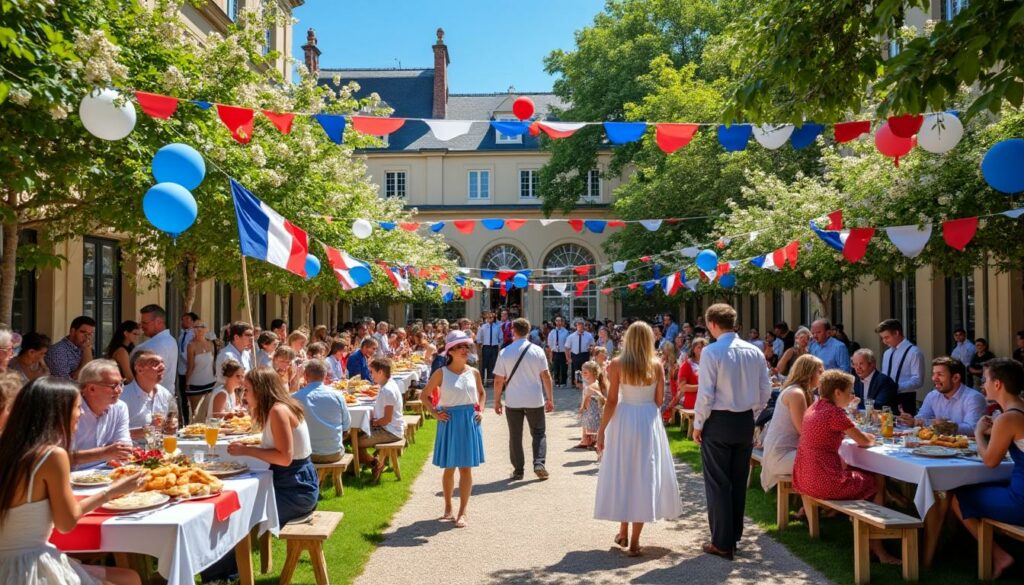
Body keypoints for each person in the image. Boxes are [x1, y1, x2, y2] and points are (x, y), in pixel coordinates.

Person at [0, 377, 145, 585]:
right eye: (77, 407)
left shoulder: (9, 447)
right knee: (129, 580)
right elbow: (66, 523)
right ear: (58, 412)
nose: (82, 413)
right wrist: (111, 492)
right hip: (30, 568)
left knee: (127, 577)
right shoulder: (51, 456)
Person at [215, 367, 317, 581]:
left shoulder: (278, 410)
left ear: (261, 390)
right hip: (295, 483)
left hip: (296, 489)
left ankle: (225, 573)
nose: (245, 396)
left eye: (248, 390)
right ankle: (226, 571)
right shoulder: (280, 407)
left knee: (236, 515)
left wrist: (245, 450)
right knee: (235, 507)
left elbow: (284, 457)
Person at [792, 370, 901, 565]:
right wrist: (873, 438)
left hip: (804, 477)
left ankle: (873, 538)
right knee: (877, 480)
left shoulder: (815, 408)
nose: (852, 397)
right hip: (823, 482)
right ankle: (878, 548)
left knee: (863, 472)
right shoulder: (834, 413)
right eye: (849, 392)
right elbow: (863, 441)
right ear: (837, 393)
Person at [594, 321, 681, 557]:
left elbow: (611, 401)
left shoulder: (617, 364)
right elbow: (659, 399)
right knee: (644, 474)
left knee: (624, 471)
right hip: (646, 419)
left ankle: (623, 529)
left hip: (624, 419)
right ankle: (632, 539)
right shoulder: (656, 365)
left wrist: (601, 430)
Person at [694, 303, 771, 560]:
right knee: (737, 481)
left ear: (713, 324)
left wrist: (698, 424)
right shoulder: (754, 351)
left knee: (718, 482)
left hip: (718, 420)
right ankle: (732, 535)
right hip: (744, 421)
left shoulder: (711, 352)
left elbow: (705, 394)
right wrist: (754, 415)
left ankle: (722, 541)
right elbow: (765, 390)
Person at [951, 358, 1024, 579]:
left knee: (958, 496)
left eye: (985, 379)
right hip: (1017, 486)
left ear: (998, 384)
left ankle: (999, 555)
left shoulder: (1007, 418)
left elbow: (990, 462)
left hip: (1020, 500)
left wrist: (978, 433)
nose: (983, 384)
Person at [419, 330, 485, 528]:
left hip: (468, 421)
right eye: (459, 347)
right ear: (450, 351)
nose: (464, 350)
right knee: (450, 467)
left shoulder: (474, 372)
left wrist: (481, 410)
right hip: (449, 421)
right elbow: (424, 396)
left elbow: (481, 394)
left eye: (466, 346)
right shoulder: (441, 373)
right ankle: (448, 507)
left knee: (466, 468)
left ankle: (462, 512)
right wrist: (434, 413)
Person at [493, 318, 554, 480]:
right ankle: (539, 462)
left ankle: (518, 470)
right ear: (528, 331)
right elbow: (546, 376)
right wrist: (550, 398)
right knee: (539, 433)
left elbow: (499, 380)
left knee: (515, 435)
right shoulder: (537, 351)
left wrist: (497, 400)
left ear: (513, 331)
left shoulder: (505, 352)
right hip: (534, 398)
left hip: (514, 400)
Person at [761, 354, 822, 493]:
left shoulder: (806, 393)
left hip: (792, 450)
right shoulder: (796, 393)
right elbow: (804, 430)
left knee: (832, 458)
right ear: (809, 373)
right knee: (827, 460)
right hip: (781, 455)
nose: (823, 374)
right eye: (820, 371)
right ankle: (819, 505)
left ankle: (822, 505)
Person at [71, 360, 133, 469]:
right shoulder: (69, 411)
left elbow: (124, 446)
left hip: (107, 474)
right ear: (91, 389)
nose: (119, 390)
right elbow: (56, 457)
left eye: (121, 384)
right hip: (71, 478)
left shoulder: (120, 407)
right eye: (114, 386)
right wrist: (103, 453)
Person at [898, 357, 986, 434]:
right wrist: (912, 421)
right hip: (936, 448)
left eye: (940, 374)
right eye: (934, 374)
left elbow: (973, 429)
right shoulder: (932, 395)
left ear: (955, 378)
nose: (934, 378)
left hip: (965, 450)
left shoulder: (974, 398)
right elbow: (922, 418)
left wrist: (947, 426)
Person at [293, 358, 351, 464]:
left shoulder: (295, 398)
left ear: (305, 376)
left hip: (305, 453)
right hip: (334, 452)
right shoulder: (337, 395)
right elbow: (347, 426)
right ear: (325, 376)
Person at [365, 358, 406, 482]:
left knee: (355, 442)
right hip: (389, 428)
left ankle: (375, 463)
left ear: (381, 372)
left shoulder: (387, 390)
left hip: (390, 431)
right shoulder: (387, 385)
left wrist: (375, 422)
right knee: (359, 434)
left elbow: (387, 419)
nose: (370, 375)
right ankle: (374, 462)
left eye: (372, 372)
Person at [120, 350, 174, 438]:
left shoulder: (165, 394)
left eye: (162, 363)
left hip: (160, 449)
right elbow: (112, 435)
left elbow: (170, 425)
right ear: (139, 369)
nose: (162, 367)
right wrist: (146, 431)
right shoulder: (123, 397)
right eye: (155, 364)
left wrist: (170, 427)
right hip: (133, 450)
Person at [876, 318, 925, 415]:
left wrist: (897, 387)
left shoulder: (914, 352)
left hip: (905, 397)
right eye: (882, 338)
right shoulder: (887, 353)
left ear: (897, 333)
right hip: (887, 396)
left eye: (887, 337)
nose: (884, 341)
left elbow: (918, 380)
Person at [133, 305, 178, 396]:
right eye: (141, 323)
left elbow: (147, 378)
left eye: (145, 323)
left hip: (154, 400)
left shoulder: (153, 345)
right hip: (165, 397)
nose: (142, 326)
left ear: (158, 322)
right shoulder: (171, 340)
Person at [45, 315, 96, 380]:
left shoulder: (83, 348)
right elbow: (65, 382)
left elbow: (91, 374)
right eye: (83, 332)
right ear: (72, 331)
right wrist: (87, 350)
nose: (87, 337)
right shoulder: (58, 351)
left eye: (90, 334)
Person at [667, 337, 708, 413]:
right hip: (693, 399)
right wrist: (702, 387)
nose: (702, 349)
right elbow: (682, 387)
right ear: (693, 349)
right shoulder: (687, 365)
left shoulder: (709, 364)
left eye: (704, 347)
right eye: (699, 347)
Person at [184, 321, 216, 417]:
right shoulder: (191, 345)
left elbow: (213, 364)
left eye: (202, 326)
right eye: (196, 326)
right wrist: (187, 383)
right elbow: (190, 366)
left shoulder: (211, 344)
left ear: (206, 329)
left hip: (211, 383)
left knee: (209, 414)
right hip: (196, 384)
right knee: (196, 414)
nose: (199, 328)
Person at [576, 361, 606, 449]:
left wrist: (581, 409)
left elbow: (586, 400)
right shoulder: (594, 383)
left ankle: (594, 443)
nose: (583, 374)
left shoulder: (592, 386)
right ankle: (589, 442)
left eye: (585, 373)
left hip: (592, 412)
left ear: (593, 373)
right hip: (593, 411)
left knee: (593, 430)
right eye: (582, 372)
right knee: (593, 430)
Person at [176, 312, 197, 407]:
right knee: (183, 397)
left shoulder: (194, 335)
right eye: (183, 319)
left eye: (187, 319)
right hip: (181, 371)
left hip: (190, 371)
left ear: (192, 321)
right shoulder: (182, 335)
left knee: (190, 397)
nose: (183, 321)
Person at [566, 319, 595, 390]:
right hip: (575, 355)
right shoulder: (571, 336)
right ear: (576, 326)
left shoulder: (589, 335)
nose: (580, 327)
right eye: (579, 326)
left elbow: (593, 345)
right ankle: (576, 384)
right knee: (576, 370)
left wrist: (591, 350)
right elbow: (567, 348)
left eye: (582, 326)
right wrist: (568, 358)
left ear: (584, 326)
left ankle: (584, 384)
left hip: (584, 354)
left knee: (585, 370)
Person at [475, 311, 502, 385]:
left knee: (493, 364)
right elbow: (478, 337)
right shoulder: (483, 327)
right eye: (488, 317)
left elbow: (500, 337)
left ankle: (491, 381)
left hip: (494, 347)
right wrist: (480, 345)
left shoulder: (497, 327)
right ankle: (483, 381)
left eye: (491, 317)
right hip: (486, 347)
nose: (490, 319)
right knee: (485, 364)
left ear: (493, 318)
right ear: (486, 318)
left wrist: (499, 346)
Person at [547, 316, 570, 387]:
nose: (558, 322)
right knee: (555, 367)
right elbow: (550, 344)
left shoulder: (566, 332)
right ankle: (556, 382)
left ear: (562, 322)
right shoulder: (552, 332)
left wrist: (568, 356)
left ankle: (563, 382)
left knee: (564, 368)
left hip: (563, 353)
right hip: (555, 352)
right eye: (557, 321)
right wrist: (550, 355)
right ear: (555, 322)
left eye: (560, 321)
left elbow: (568, 344)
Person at [660, 344, 678, 423]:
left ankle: (665, 418)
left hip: (670, 386)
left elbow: (672, 377)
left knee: (665, 398)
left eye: (663, 351)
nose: (662, 352)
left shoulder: (673, 363)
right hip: (664, 384)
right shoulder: (663, 361)